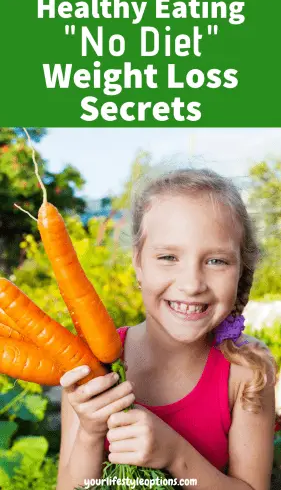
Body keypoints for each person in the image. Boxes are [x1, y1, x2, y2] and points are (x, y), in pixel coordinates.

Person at [56, 167, 277, 490]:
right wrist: (91, 434)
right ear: (138, 263)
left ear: (241, 268)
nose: (191, 284)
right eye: (168, 257)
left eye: (216, 261)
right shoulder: (91, 366)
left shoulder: (247, 369)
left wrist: (175, 456)